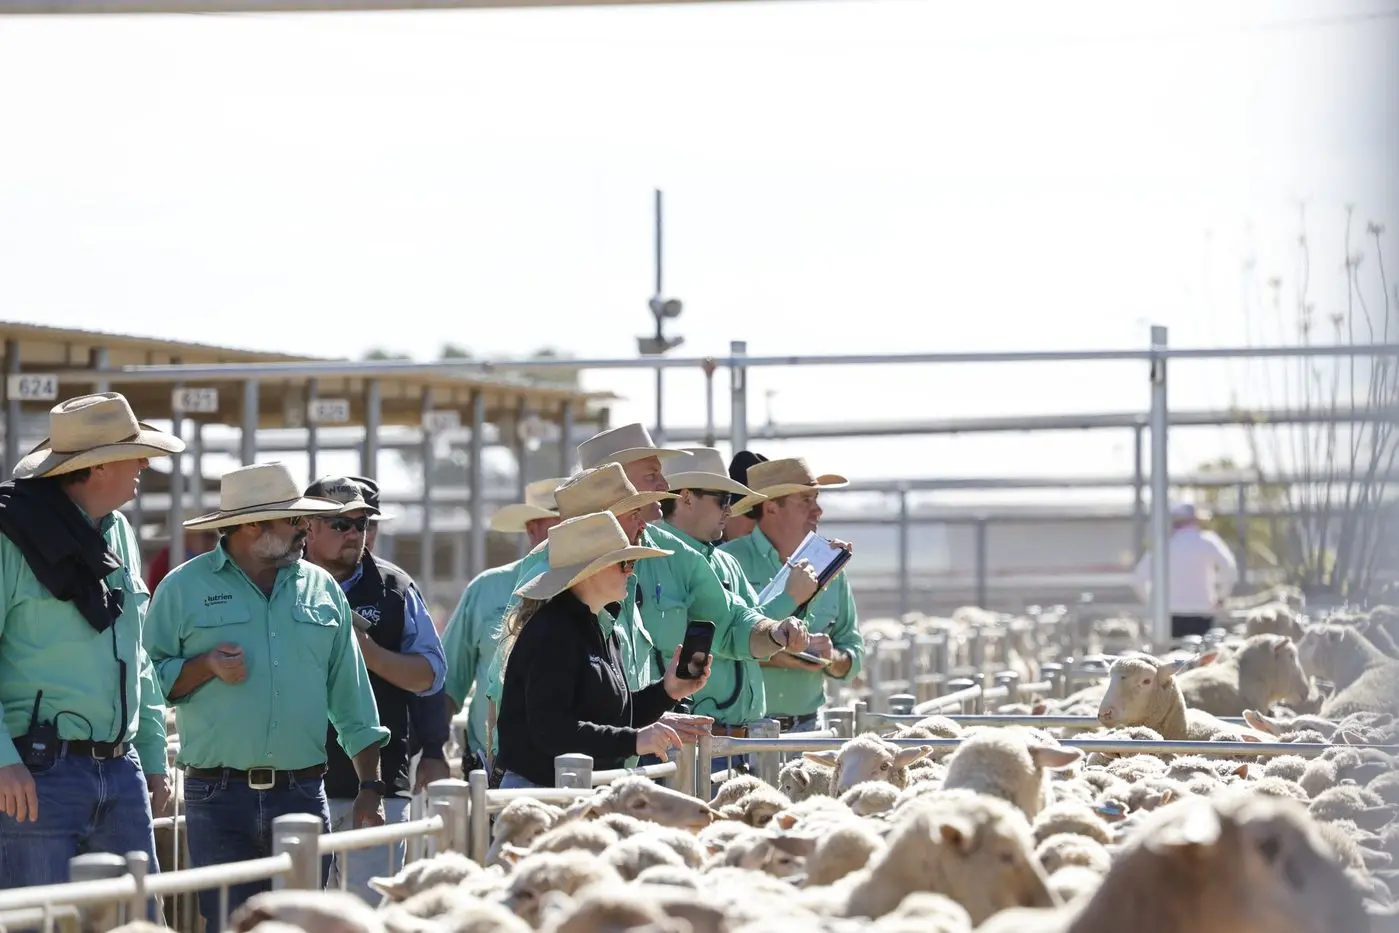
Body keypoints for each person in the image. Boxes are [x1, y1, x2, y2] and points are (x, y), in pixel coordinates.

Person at [143, 461, 390, 926]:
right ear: (252, 525)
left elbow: (351, 694)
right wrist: (204, 667)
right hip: (214, 798)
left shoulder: (323, 589)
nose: (305, 530)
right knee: (228, 925)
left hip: (302, 794)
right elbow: (145, 683)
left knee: (301, 926)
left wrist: (371, 786)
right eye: (295, 520)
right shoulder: (180, 588)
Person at [0, 392, 180, 889]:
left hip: (121, 769)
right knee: (41, 923)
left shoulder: (119, 531)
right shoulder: (6, 536)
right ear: (98, 467)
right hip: (34, 774)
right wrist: (2, 761)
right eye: (134, 452)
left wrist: (149, 752)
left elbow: (135, 650)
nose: (145, 461)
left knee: (138, 922)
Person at [577, 425, 812, 766]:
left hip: (648, 747)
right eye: (653, 475)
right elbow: (507, 679)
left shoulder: (678, 555)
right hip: (590, 757)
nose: (663, 487)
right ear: (613, 482)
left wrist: (774, 631)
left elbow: (731, 622)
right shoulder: (553, 564)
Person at [479, 464, 696, 777]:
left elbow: (615, 715)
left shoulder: (595, 626)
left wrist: (667, 690)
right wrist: (635, 740)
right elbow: (552, 730)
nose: (632, 570)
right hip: (542, 799)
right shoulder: (555, 631)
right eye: (624, 562)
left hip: (568, 792)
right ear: (592, 570)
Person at [300, 476, 450, 904]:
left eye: (362, 523)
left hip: (380, 787)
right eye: (341, 523)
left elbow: (430, 675)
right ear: (307, 527)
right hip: (295, 785)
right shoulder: (279, 584)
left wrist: (367, 653)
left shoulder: (394, 587)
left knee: (370, 913)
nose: (355, 533)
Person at [657, 447, 821, 773]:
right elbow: (728, 635)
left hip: (738, 742)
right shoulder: (658, 561)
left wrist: (780, 627)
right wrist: (789, 601)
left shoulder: (724, 562)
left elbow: (750, 632)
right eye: (722, 499)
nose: (730, 511)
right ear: (686, 498)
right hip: (690, 743)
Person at [722, 457, 864, 733]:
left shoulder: (833, 569)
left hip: (808, 729)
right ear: (772, 506)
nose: (818, 510)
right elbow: (716, 645)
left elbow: (854, 651)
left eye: (816, 499)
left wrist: (831, 657)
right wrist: (775, 653)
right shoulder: (727, 562)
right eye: (806, 501)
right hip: (743, 734)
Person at [441, 476, 564, 774]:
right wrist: (434, 751)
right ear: (531, 528)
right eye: (559, 523)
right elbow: (448, 683)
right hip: (492, 765)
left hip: (573, 761)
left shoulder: (599, 586)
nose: (570, 532)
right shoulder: (485, 588)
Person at [1130, 501, 1239, 639]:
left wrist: (1153, 602)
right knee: (1201, 656)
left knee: (1173, 656)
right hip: (1203, 611)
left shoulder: (1164, 545)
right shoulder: (1208, 541)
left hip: (1171, 613)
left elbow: (1139, 578)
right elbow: (1229, 569)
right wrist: (1221, 597)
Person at [145, 528, 218, 591]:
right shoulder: (165, 559)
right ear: (187, 536)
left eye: (213, 537)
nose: (211, 542)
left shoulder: (209, 560)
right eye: (207, 536)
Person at [722, 450, 768, 543]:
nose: (760, 522)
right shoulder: (701, 553)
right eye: (754, 511)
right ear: (727, 508)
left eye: (768, 512)